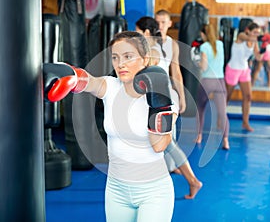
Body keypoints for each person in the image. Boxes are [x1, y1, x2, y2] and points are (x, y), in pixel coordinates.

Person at [45, 31, 178, 221]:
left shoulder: (166, 95)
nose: (120, 64)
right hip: (117, 190)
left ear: (145, 59)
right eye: (115, 58)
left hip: (153, 191)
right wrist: (70, 74)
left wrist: (158, 102)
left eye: (128, 57)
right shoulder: (111, 86)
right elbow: (89, 81)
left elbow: (159, 145)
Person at [135, 16, 202, 199]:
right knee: (164, 141)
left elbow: (159, 71)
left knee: (167, 143)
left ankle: (193, 180)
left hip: (160, 98)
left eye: (138, 32)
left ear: (146, 33)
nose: (136, 35)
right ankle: (173, 169)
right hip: (163, 97)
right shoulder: (155, 47)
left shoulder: (152, 49)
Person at [193, 24, 230, 150]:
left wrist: (196, 62)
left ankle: (199, 136)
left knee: (200, 109)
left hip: (207, 81)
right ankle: (225, 140)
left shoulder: (204, 47)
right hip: (219, 81)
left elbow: (203, 67)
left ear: (203, 34)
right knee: (222, 112)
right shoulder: (220, 44)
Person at [225, 22, 263, 132]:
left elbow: (258, 57)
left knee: (248, 97)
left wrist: (263, 49)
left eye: (258, 33)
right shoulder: (241, 36)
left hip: (244, 70)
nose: (256, 34)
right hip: (233, 69)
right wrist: (258, 38)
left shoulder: (254, 42)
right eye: (254, 32)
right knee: (227, 97)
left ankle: (245, 123)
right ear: (248, 31)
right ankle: (220, 120)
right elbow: (246, 38)